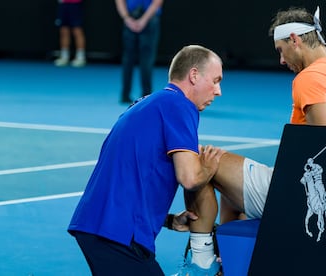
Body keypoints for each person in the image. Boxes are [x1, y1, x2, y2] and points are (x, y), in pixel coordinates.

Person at [174, 6, 326, 275]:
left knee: (203, 160)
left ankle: (202, 261)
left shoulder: (308, 77)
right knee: (234, 191)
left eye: (280, 50)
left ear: (295, 39)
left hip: (296, 194)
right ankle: (229, 263)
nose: (281, 60)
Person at [67, 45, 225, 275]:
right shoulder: (180, 105)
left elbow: (131, 176)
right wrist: (209, 167)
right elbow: (189, 178)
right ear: (193, 75)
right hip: (117, 234)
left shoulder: (148, 103)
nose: (218, 91)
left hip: (100, 226)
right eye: (215, 80)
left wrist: (168, 220)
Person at [115, 0, 163, 103]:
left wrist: (128, 19)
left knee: (132, 59)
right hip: (143, 19)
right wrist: (128, 19)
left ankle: (126, 94)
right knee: (143, 59)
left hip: (142, 19)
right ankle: (144, 95)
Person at [54, 0, 86, 67]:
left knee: (77, 30)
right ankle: (64, 57)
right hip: (63, 4)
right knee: (63, 31)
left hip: (75, 4)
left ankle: (80, 57)